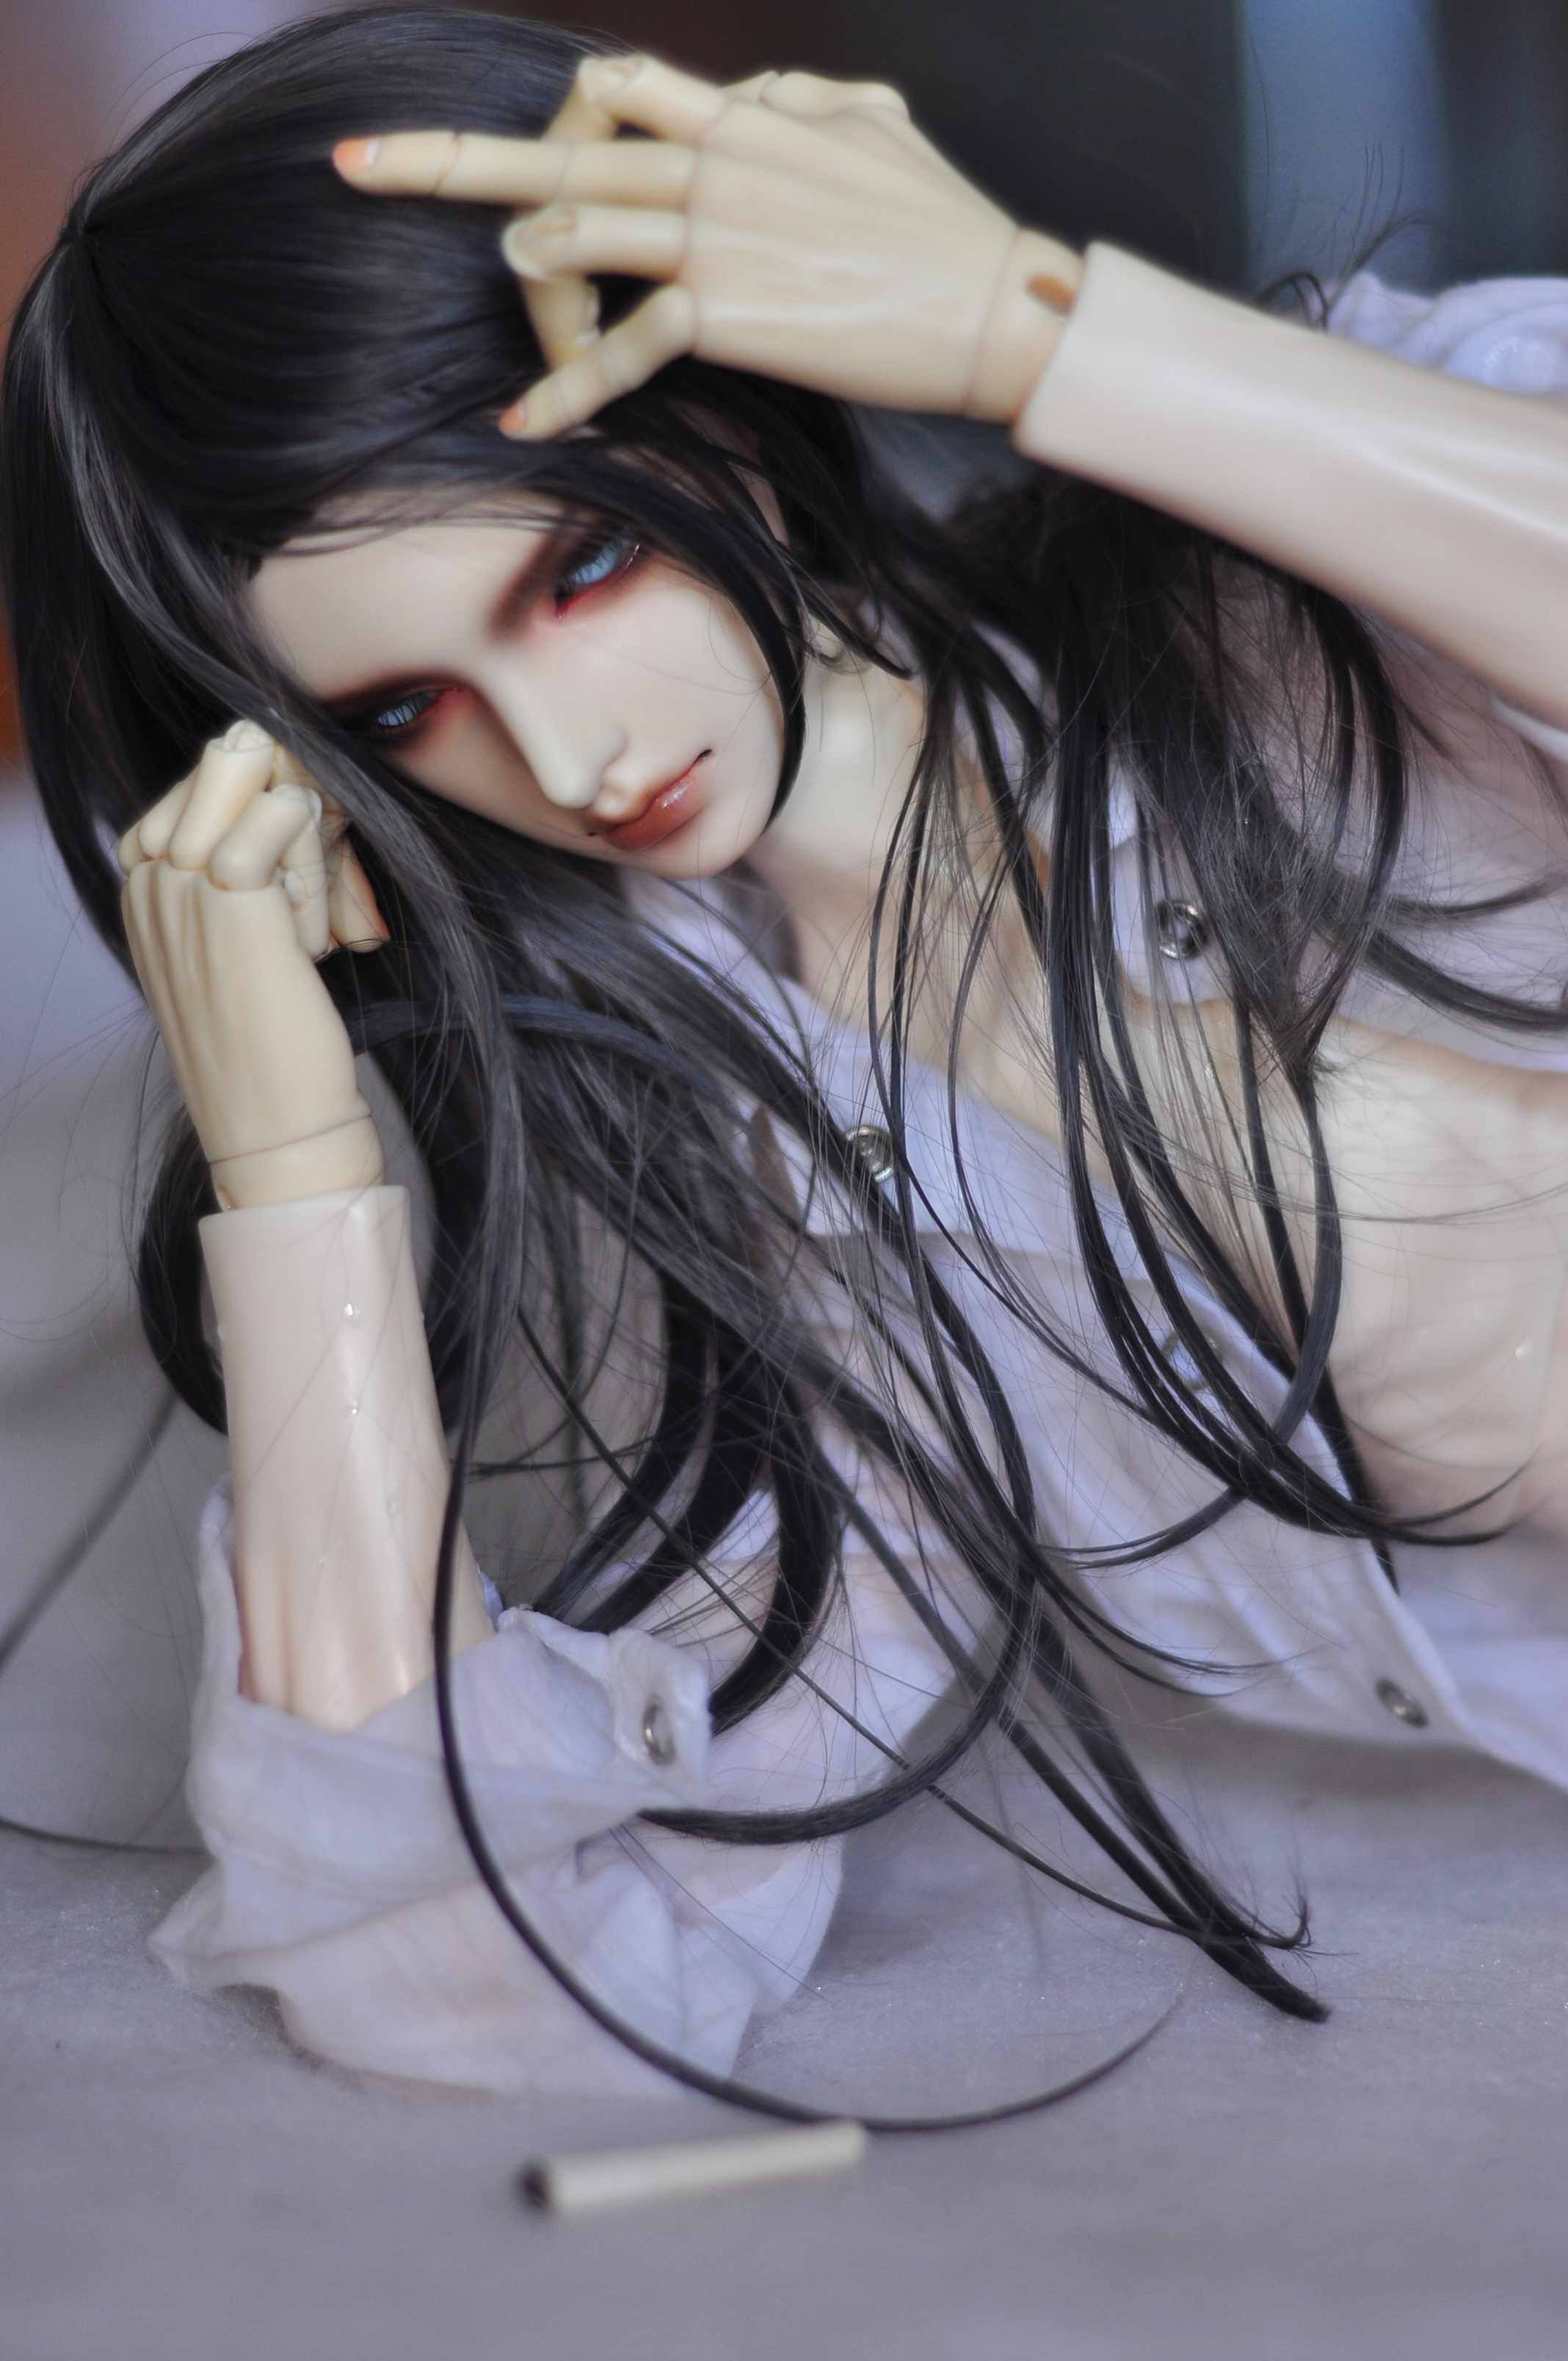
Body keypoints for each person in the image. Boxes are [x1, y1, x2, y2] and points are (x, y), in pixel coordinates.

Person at [7, 4, 1568, 2106]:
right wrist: (291, 1156)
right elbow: (460, 1966)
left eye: (582, 566)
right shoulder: (804, 1239)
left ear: (722, 411)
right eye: (398, 714)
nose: (572, 756)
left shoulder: (1321, 577)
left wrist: (1037, 333)